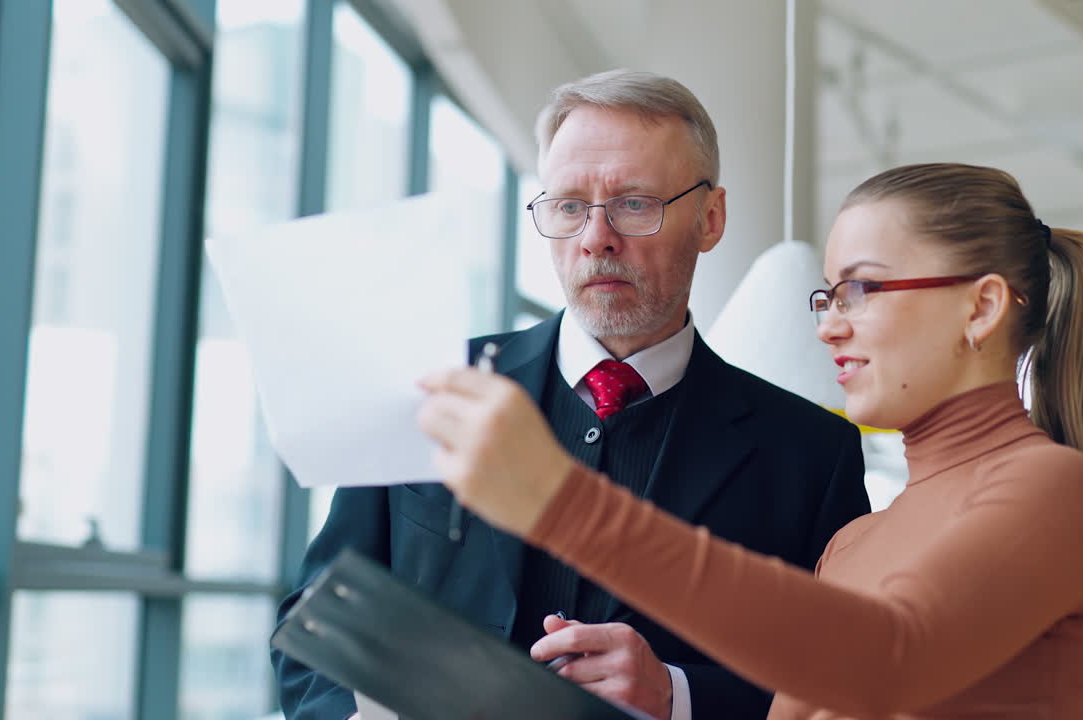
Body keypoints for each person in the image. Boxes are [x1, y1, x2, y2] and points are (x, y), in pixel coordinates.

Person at [419, 162, 1083, 718]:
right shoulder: (854, 546)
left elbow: (889, 656)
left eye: (862, 290)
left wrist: (566, 505)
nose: (829, 322)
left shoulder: (1062, 493)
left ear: (982, 306)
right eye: (826, 295)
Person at [273, 70, 870, 720]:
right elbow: (313, 632)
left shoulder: (813, 455)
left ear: (711, 218)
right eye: (568, 206)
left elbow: (843, 685)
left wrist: (678, 694)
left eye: (635, 203)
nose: (595, 237)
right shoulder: (431, 385)